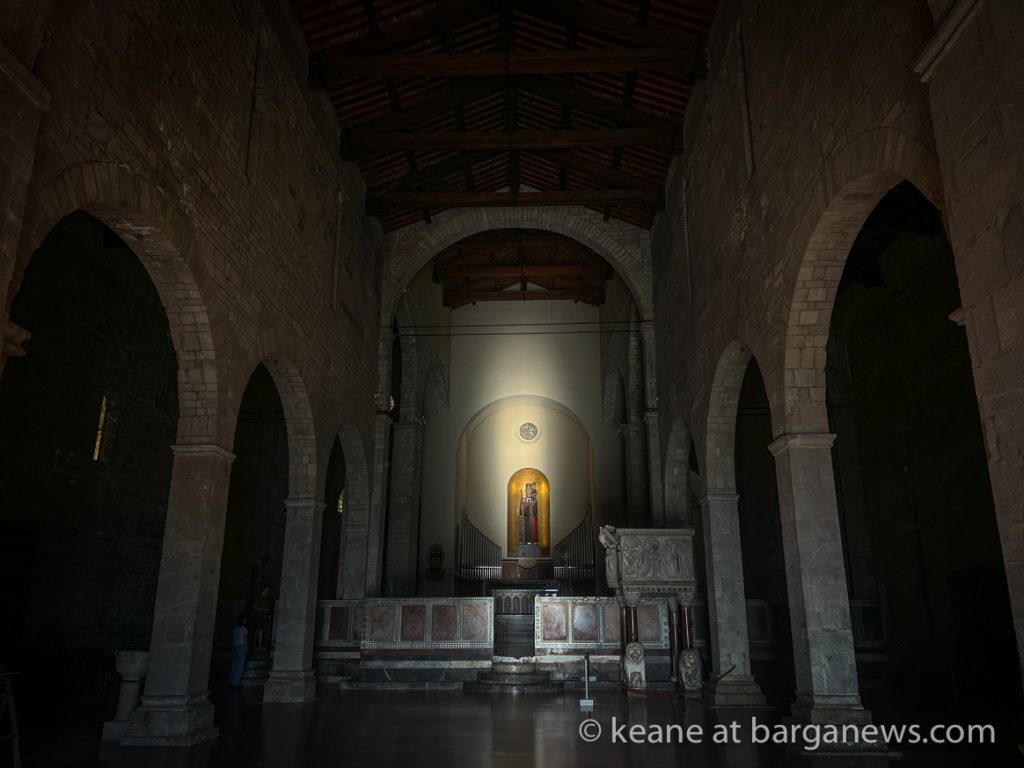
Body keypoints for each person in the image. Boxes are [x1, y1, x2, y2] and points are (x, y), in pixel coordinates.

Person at [228, 615, 248, 687]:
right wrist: (247, 649)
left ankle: (231, 680)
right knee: (240, 665)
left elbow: (233, 639)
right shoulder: (244, 628)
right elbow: (245, 639)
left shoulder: (236, 629)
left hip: (235, 646)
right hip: (241, 646)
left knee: (234, 665)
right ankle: (236, 682)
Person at [251, 585, 273, 651]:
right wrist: (263, 609)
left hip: (264, 616)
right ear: (263, 589)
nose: (267, 591)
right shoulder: (258, 597)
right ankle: (254, 645)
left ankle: (260, 645)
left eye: (268, 590)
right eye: (266, 589)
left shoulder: (266, 598)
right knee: (257, 630)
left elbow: (268, 608)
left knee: (261, 631)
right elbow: (254, 607)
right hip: (258, 616)